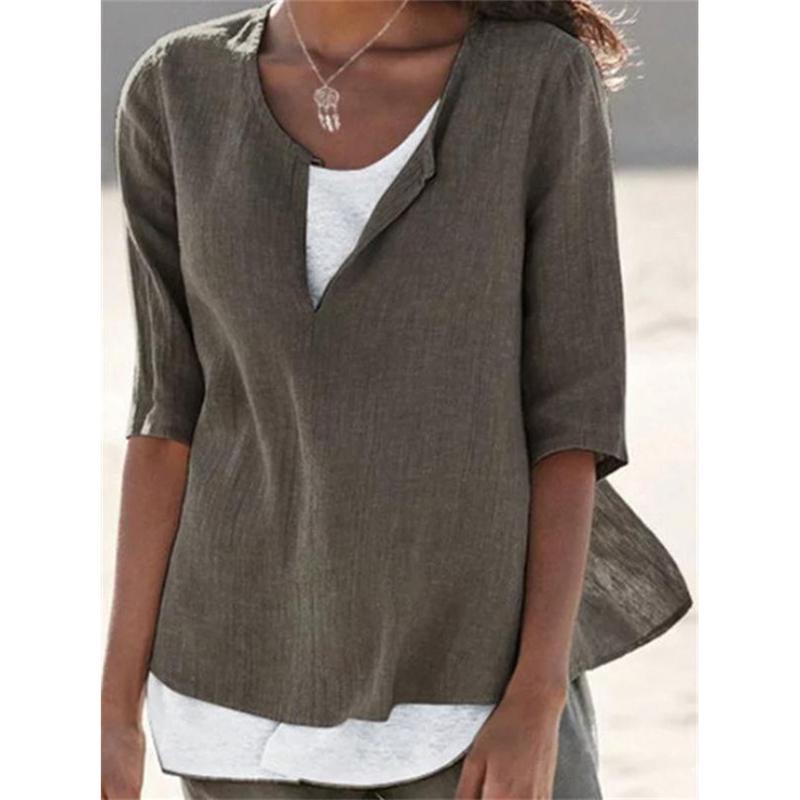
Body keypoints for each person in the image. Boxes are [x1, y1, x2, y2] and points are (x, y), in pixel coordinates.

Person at [101, 2, 692, 799]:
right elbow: (166, 413)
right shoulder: (177, 88)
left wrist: (537, 694)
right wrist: (116, 709)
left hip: (474, 697)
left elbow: (571, 418)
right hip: (232, 712)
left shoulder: (531, 78)